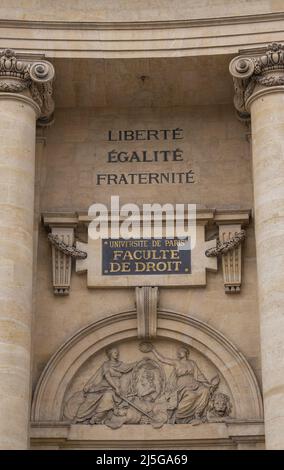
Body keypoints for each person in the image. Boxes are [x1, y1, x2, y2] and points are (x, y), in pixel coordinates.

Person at [142, 343, 218, 424]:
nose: (179, 353)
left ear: (186, 353)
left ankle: (198, 414)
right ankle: (180, 415)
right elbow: (163, 359)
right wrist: (153, 350)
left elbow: (199, 375)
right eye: (178, 352)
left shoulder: (192, 363)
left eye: (181, 351)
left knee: (205, 391)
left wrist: (208, 384)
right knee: (191, 395)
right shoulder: (176, 362)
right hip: (182, 387)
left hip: (194, 384)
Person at [73, 346, 136, 424]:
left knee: (108, 399)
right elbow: (107, 377)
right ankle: (80, 418)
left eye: (117, 352)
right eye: (115, 352)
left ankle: (98, 418)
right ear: (110, 354)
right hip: (105, 387)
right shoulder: (106, 365)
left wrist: (140, 361)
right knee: (92, 400)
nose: (117, 354)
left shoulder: (120, 364)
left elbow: (127, 367)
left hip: (116, 390)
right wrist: (115, 387)